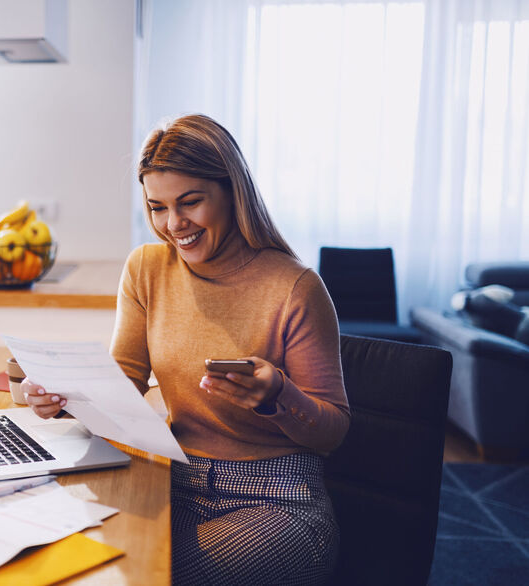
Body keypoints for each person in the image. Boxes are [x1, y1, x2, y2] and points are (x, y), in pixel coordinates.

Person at [23, 114, 350, 585]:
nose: (174, 225)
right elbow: (123, 385)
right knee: (71, 555)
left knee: (139, 575)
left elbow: (334, 431)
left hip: (278, 502)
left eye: (190, 202)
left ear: (232, 190)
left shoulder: (295, 287)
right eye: (157, 207)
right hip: (173, 479)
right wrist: (61, 400)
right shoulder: (147, 269)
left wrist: (278, 396)